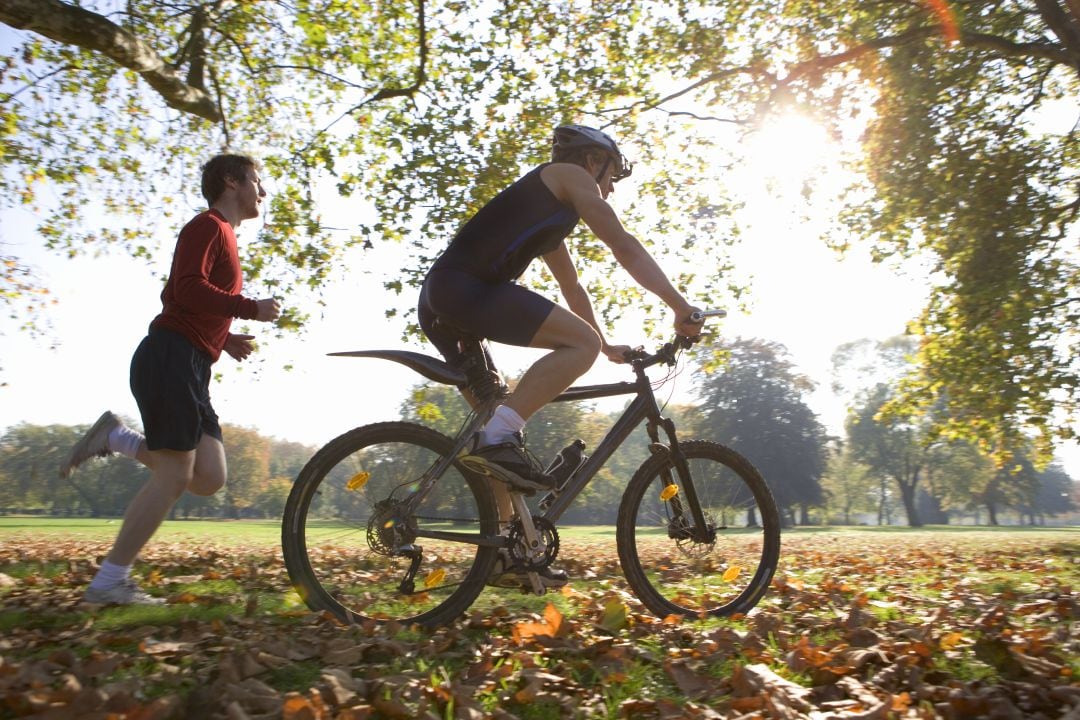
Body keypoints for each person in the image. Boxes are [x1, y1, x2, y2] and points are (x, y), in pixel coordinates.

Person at [417, 124, 702, 586]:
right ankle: (499, 437)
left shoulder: (548, 211)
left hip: (441, 300)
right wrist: (678, 305)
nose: (608, 189)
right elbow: (622, 243)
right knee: (508, 424)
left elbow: (572, 287)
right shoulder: (569, 175)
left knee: (497, 436)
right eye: (611, 176)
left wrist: (605, 346)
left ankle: (505, 555)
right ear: (594, 160)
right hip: (465, 289)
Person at [58, 153, 281, 605]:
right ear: (230, 180)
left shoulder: (226, 237)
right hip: (169, 358)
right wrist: (249, 307)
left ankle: (114, 437)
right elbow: (186, 287)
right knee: (175, 472)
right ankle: (108, 583)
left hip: (192, 364)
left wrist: (226, 339)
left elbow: (196, 304)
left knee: (208, 477)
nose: (263, 191)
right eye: (257, 180)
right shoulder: (208, 226)